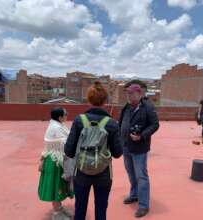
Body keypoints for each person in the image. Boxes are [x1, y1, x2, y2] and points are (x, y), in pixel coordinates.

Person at [65, 81, 122, 220]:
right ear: (105, 101)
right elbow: (117, 153)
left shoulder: (79, 120)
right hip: (103, 173)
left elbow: (69, 151)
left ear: (88, 100)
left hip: (82, 173)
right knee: (101, 209)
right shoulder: (111, 123)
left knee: (80, 209)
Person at [119, 83, 159, 218]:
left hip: (139, 147)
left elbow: (155, 125)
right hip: (126, 146)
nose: (128, 95)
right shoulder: (127, 106)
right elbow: (121, 124)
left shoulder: (148, 107)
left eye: (131, 93)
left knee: (141, 176)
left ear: (139, 94)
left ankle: (143, 205)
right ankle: (134, 195)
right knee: (131, 173)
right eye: (128, 93)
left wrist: (142, 136)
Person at [38, 108, 74, 219]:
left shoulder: (59, 125)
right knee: (56, 185)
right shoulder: (56, 128)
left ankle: (59, 208)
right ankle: (56, 212)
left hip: (58, 159)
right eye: (65, 114)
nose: (67, 115)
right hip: (55, 161)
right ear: (60, 117)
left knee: (60, 184)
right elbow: (65, 143)